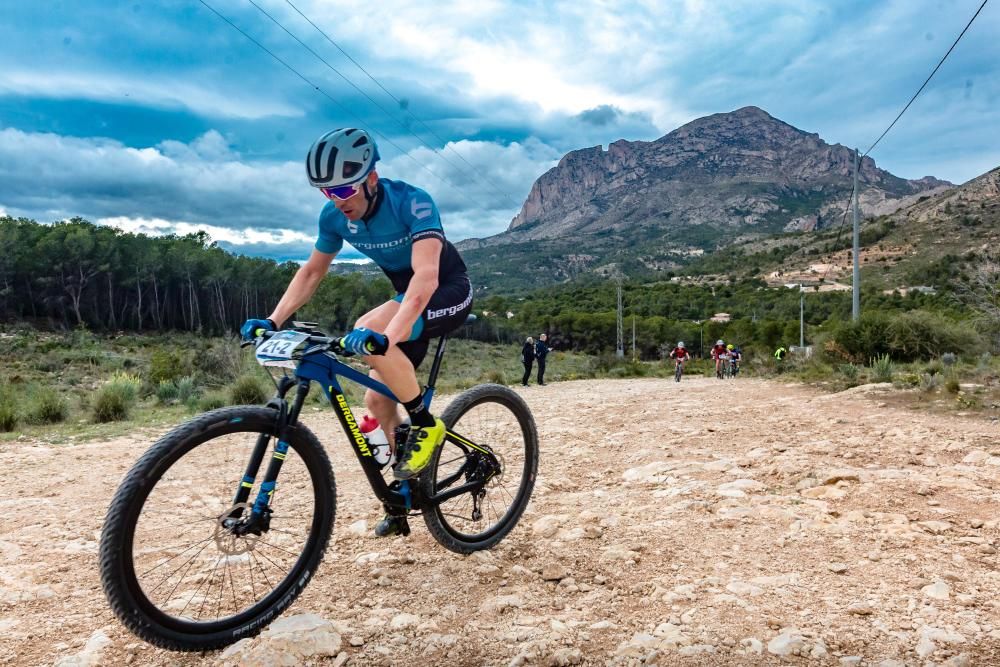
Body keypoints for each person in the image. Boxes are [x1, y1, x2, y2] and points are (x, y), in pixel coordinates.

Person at [240, 128, 473, 537]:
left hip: (446, 289)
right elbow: (312, 271)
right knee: (376, 400)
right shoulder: (334, 217)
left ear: (370, 177)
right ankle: (402, 497)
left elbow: (425, 277)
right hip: (407, 297)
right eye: (327, 192)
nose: (339, 200)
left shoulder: (412, 202)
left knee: (368, 329)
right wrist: (274, 320)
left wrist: (388, 336)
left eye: (345, 188)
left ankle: (425, 423)